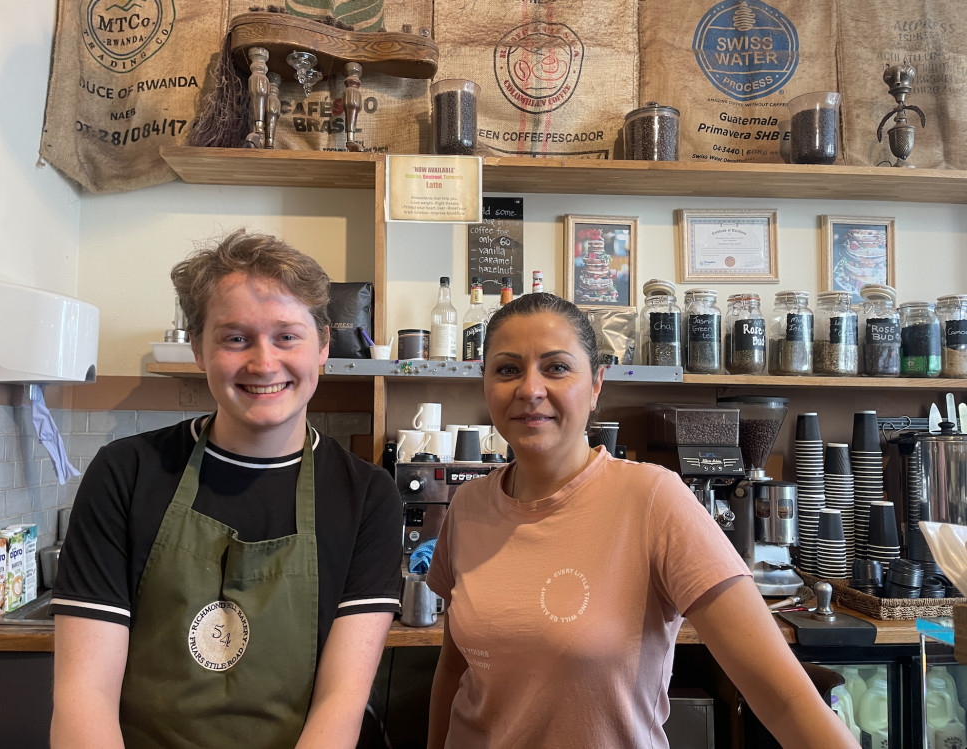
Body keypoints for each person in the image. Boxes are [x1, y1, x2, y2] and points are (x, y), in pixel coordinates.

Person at [426, 292, 859, 749]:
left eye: (555, 367)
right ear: (485, 383)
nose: (530, 389)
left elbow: (784, 698)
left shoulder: (653, 499)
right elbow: (456, 670)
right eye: (508, 369)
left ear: (596, 385)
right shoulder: (469, 504)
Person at [50, 229, 402, 748]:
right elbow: (84, 696)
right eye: (235, 338)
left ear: (323, 346)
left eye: (287, 336)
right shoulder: (126, 473)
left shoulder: (366, 495)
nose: (263, 363)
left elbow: (341, 703)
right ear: (197, 348)